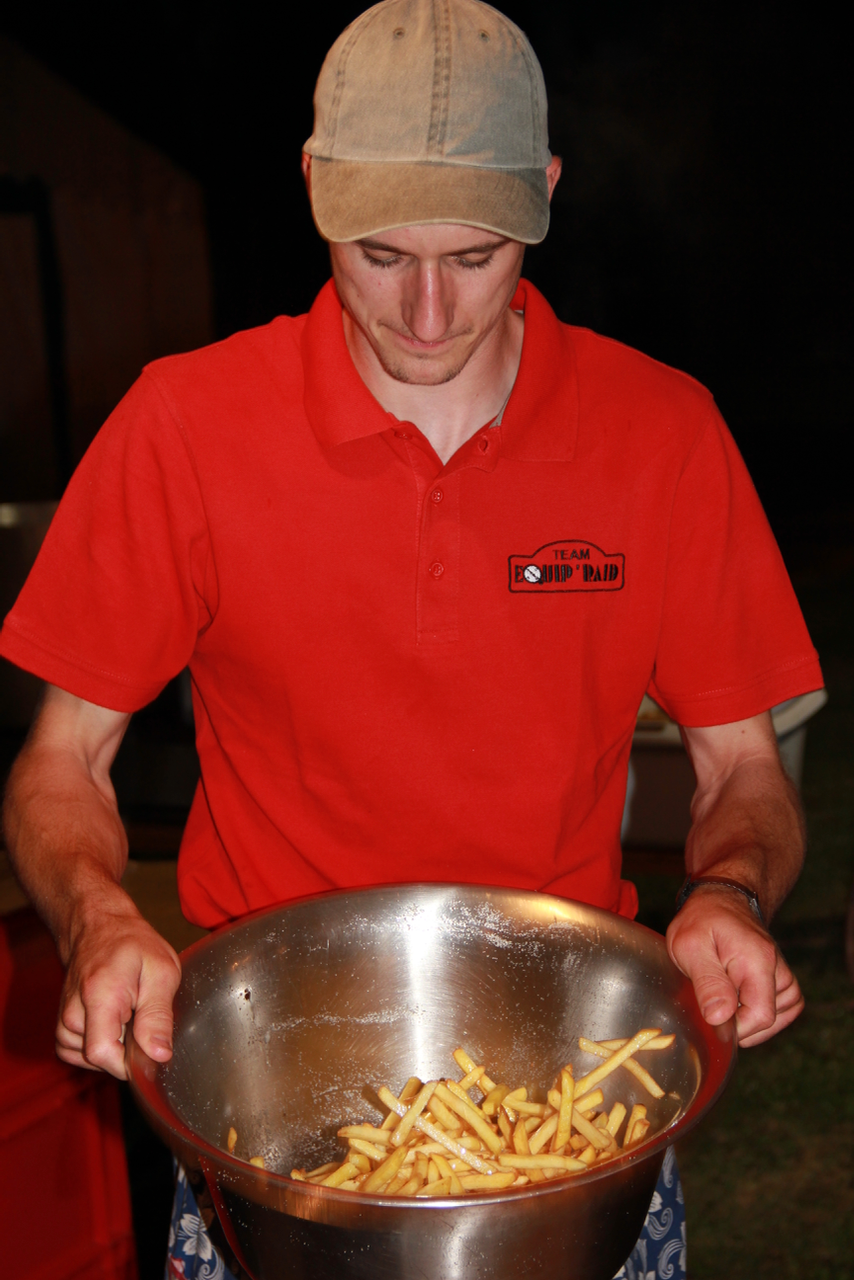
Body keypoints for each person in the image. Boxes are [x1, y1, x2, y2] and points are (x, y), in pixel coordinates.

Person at [0, 1, 822, 1277]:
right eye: (380, 255)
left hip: (568, 1109)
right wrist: (96, 914)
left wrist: (729, 891)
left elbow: (745, 773)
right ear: (313, 188)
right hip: (270, 1112)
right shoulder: (184, 427)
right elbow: (61, 764)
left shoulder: (661, 434)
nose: (429, 313)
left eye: (476, 256)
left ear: (544, 196)